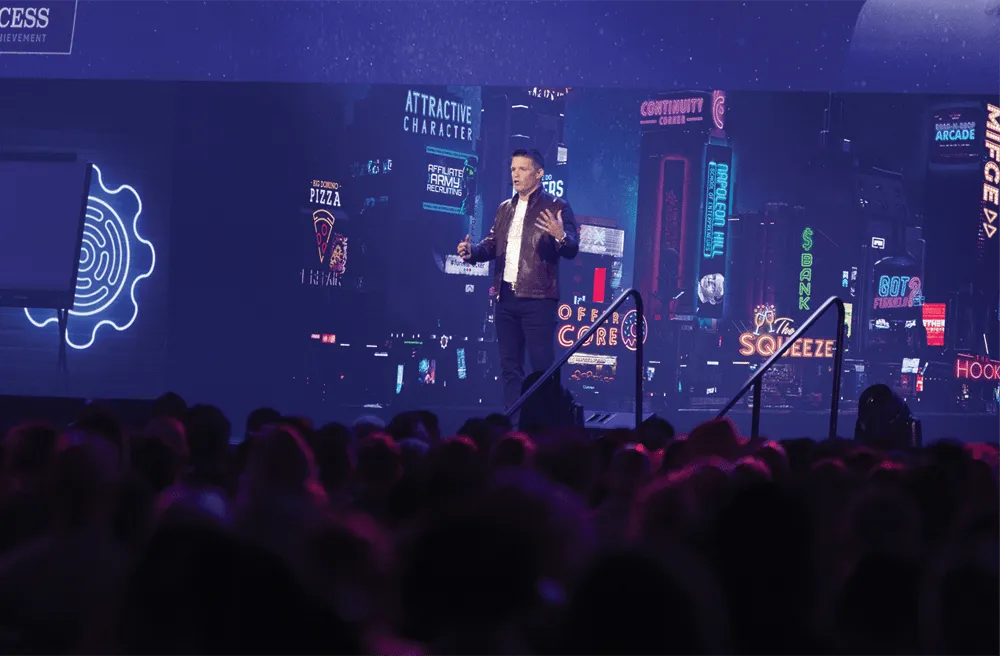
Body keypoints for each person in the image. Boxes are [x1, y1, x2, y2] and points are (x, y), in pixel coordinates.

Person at [458, 148, 579, 411]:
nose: (516, 174)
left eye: (523, 169)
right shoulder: (505, 208)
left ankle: (545, 423)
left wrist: (560, 235)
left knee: (542, 369)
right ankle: (514, 425)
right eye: (513, 168)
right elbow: (492, 244)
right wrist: (472, 252)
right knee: (509, 369)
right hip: (506, 299)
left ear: (539, 173)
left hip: (538, 300)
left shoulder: (556, 206)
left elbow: (572, 248)